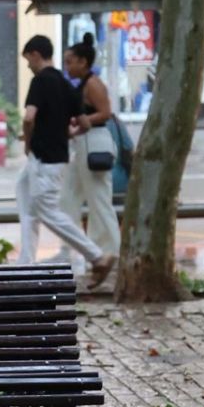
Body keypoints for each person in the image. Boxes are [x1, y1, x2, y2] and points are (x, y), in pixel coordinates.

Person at [15, 34, 115, 286]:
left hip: (43, 158)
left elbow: (29, 118)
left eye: (28, 59)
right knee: (24, 191)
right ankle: (25, 263)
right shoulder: (66, 84)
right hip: (57, 156)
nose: (28, 65)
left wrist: (28, 141)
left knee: (45, 209)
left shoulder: (40, 81)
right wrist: (64, 133)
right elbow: (82, 122)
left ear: (36, 55)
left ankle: (97, 256)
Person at [62, 35, 121, 261]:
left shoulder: (93, 84)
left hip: (93, 142)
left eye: (70, 61)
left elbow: (105, 112)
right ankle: (78, 248)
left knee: (99, 200)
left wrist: (82, 120)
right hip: (84, 142)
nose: (67, 66)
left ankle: (111, 251)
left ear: (83, 62)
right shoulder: (86, 83)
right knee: (68, 198)